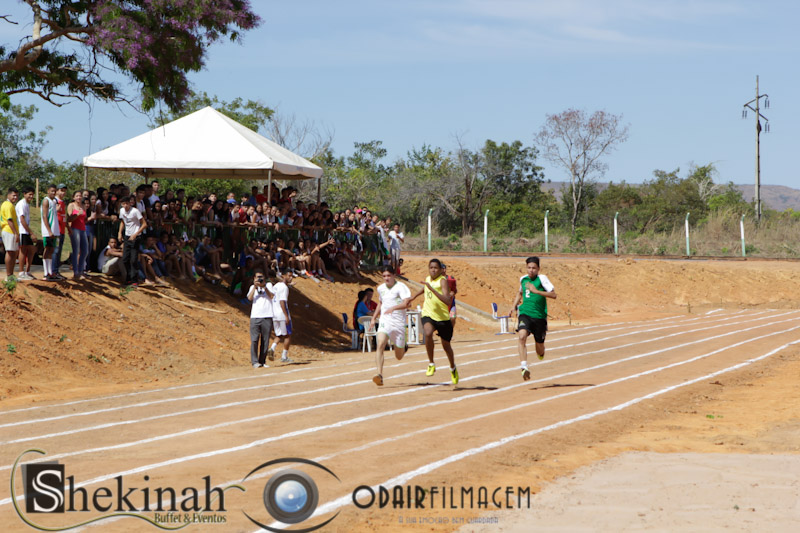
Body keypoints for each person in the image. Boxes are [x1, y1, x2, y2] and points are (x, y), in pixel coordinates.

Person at [408, 258, 458, 384]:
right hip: (428, 313)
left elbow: (447, 300)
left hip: (442, 318)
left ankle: (452, 368)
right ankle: (431, 363)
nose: (433, 270)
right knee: (428, 333)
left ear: (441, 270)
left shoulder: (443, 281)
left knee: (446, 346)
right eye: (431, 268)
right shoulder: (427, 279)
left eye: (436, 268)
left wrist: (433, 289)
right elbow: (425, 288)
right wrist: (414, 296)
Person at [508, 256, 557, 381]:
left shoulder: (542, 279)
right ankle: (524, 366)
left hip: (539, 317)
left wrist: (537, 291)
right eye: (529, 268)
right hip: (525, 313)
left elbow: (553, 295)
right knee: (522, 336)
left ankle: (541, 351)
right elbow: (520, 293)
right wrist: (513, 306)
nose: (531, 270)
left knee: (539, 347)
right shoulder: (523, 279)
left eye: (534, 268)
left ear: (538, 268)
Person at [370, 266, 412, 386]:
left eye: (388, 275)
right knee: (380, 343)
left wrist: (394, 308)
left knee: (399, 356)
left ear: (394, 275)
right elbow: (380, 303)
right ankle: (379, 375)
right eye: (384, 276)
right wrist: (373, 318)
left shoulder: (401, 287)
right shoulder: (380, 288)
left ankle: (403, 347)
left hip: (399, 323)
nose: (386, 278)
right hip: (385, 321)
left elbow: (407, 304)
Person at [118, 195, 147, 287]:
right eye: (124, 204)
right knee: (125, 259)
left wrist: (136, 234)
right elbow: (122, 221)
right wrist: (120, 233)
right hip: (127, 236)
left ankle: (134, 279)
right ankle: (128, 278)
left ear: (130, 203)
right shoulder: (122, 211)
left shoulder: (135, 211)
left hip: (135, 236)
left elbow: (144, 224)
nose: (125, 206)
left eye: (127, 203)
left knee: (133, 259)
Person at [247, 270, 274, 368]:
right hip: (255, 316)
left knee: (265, 340)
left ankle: (262, 361)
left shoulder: (269, 285)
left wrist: (264, 287)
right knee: (254, 340)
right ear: (254, 278)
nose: (259, 279)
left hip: (267, 316)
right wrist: (255, 287)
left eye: (261, 277)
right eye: (258, 277)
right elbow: (249, 298)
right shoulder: (252, 287)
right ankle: (254, 362)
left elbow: (272, 296)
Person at [269, 270, 294, 363]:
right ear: (283, 276)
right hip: (281, 314)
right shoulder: (284, 287)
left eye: (292, 276)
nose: (291, 278)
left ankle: (272, 348)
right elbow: (282, 301)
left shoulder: (276, 286)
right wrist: (286, 316)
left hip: (274, 313)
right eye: (289, 276)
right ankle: (284, 356)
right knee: (288, 335)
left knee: (279, 334)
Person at [40, 184, 64, 281]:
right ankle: (46, 272)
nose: (53, 193)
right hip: (48, 230)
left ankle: (50, 272)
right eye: (52, 191)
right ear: (48, 191)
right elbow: (45, 216)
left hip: (55, 230)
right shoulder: (46, 201)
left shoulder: (54, 201)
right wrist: (49, 230)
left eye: (55, 191)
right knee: (47, 249)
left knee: (52, 250)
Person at [14, 186, 36, 280]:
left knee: (31, 249)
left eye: (32, 194)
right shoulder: (21, 204)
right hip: (22, 231)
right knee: (23, 251)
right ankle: (21, 272)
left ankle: (27, 271)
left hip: (26, 231)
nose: (31, 196)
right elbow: (22, 219)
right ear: (24, 194)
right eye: (29, 194)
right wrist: (31, 232)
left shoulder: (26, 204)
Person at [67, 190, 89, 279]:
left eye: (80, 196)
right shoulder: (71, 205)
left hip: (83, 229)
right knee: (76, 250)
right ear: (73, 197)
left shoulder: (83, 206)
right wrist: (77, 214)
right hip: (75, 229)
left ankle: (81, 270)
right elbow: (69, 219)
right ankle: (76, 272)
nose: (79, 197)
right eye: (77, 196)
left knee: (85, 250)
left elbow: (85, 219)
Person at [1, 188, 20, 282]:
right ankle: (9, 275)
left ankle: (11, 275)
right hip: (9, 231)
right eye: (13, 195)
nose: (15, 197)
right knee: (10, 252)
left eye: (17, 196)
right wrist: (16, 233)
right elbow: (9, 220)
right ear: (8, 195)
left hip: (10, 231)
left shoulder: (10, 205)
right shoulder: (8, 205)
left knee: (14, 253)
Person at [53, 184, 68, 275]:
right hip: (56, 230)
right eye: (61, 190)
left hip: (62, 230)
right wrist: (56, 210)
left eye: (64, 191)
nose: (63, 193)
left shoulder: (63, 202)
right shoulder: (54, 201)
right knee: (56, 250)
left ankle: (56, 270)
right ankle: (54, 271)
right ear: (57, 191)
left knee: (59, 251)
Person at [442, 263, 458, 328]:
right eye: (442, 268)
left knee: (452, 318)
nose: (443, 270)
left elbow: (455, 290)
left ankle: (450, 331)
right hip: (441, 304)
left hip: (451, 303)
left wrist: (453, 293)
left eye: (444, 268)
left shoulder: (451, 279)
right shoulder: (437, 280)